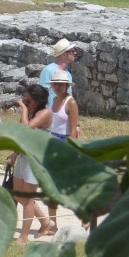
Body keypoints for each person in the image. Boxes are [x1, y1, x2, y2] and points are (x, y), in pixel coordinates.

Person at [9, 83, 53, 244]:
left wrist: (23, 109)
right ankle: (45, 222)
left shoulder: (45, 113)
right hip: (24, 156)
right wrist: (15, 151)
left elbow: (26, 128)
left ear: (37, 101)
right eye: (24, 99)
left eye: (28, 100)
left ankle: (24, 236)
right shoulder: (33, 110)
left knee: (27, 198)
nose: (25, 102)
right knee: (18, 194)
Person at [45, 69, 79, 235]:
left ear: (66, 85)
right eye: (55, 84)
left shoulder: (70, 102)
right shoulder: (55, 101)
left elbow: (72, 131)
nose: (57, 87)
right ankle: (53, 224)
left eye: (60, 84)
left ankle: (86, 218)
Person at [39, 38, 78, 107]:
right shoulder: (48, 70)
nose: (75, 53)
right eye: (72, 51)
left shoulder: (68, 74)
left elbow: (69, 95)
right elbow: (42, 94)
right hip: (50, 113)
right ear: (63, 54)